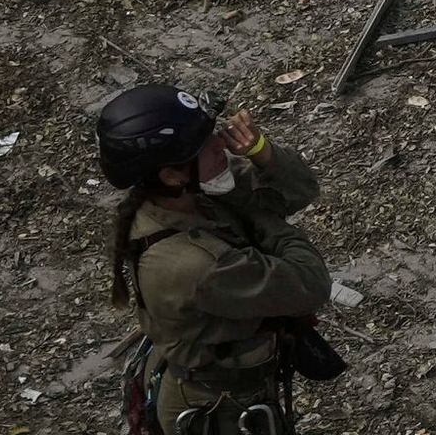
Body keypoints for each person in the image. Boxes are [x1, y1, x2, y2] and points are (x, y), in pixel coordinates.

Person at [103, 83, 340, 435]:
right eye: (204, 145)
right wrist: (262, 219)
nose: (221, 144)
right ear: (171, 174)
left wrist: (262, 151)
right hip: (217, 411)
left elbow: (301, 189)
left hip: (227, 388)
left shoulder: (183, 197)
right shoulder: (195, 264)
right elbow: (310, 281)